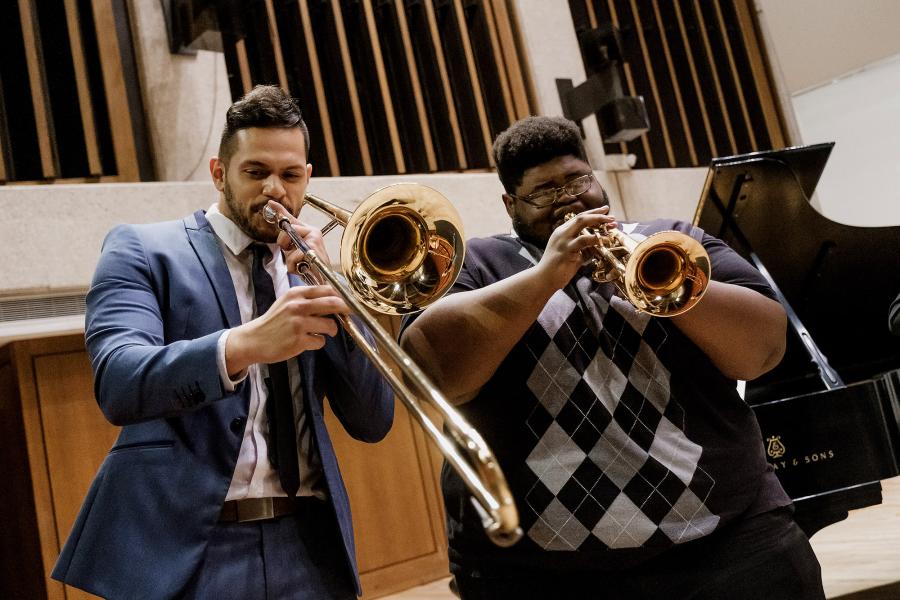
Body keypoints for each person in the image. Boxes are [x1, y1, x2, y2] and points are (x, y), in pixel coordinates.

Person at [400, 116, 825, 599]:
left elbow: (763, 351)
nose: (566, 197)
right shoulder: (475, 265)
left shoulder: (673, 238)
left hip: (731, 544)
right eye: (542, 190)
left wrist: (665, 287)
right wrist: (545, 278)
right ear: (509, 204)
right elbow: (433, 373)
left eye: (576, 179)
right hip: (538, 573)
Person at [51, 85, 393, 599]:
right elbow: (119, 381)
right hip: (193, 549)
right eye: (256, 172)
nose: (275, 190)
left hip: (310, 544)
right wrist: (245, 344)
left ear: (308, 178)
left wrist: (335, 287)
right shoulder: (143, 249)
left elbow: (373, 420)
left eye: (290, 175)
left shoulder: (314, 273)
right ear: (219, 173)